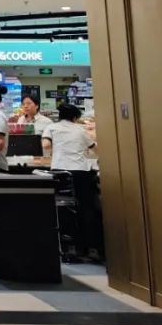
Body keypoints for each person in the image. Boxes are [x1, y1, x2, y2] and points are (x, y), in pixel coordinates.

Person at [43, 103, 101, 260]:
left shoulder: (51, 128)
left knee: (64, 209)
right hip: (81, 172)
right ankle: (91, 248)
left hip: (60, 172)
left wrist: (57, 149)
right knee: (86, 208)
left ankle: (70, 247)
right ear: (75, 118)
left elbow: (46, 145)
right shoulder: (80, 130)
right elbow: (95, 149)